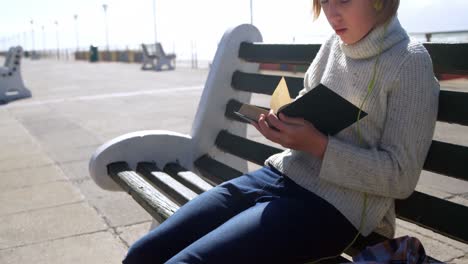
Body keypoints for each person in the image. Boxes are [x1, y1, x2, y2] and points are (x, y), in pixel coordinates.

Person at [123, 0, 439, 263]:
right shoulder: (334, 45)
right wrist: (283, 124)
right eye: (324, 1)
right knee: (143, 253)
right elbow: (310, 99)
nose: (331, 13)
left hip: (335, 210)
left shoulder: (409, 62)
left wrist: (319, 146)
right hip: (280, 175)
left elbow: (401, 176)